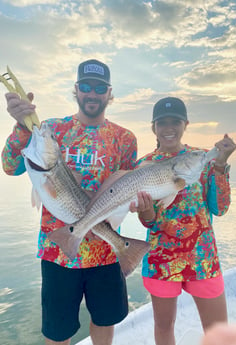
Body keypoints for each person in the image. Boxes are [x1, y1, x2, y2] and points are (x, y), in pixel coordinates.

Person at [1, 59, 137, 345]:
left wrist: (140, 203)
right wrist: (21, 126)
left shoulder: (125, 139)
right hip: (58, 251)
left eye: (99, 88)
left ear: (109, 93)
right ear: (76, 90)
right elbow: (11, 166)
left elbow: (126, 188)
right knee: (58, 331)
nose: (92, 93)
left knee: (104, 321)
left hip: (105, 251)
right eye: (85, 86)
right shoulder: (51, 129)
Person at [130, 97, 236, 345]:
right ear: (153, 127)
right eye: (162, 122)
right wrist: (146, 213)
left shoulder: (202, 159)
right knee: (164, 326)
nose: (169, 128)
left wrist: (221, 164)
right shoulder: (143, 166)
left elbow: (219, 208)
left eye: (175, 122)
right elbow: (150, 223)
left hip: (203, 259)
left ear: (185, 124)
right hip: (162, 260)